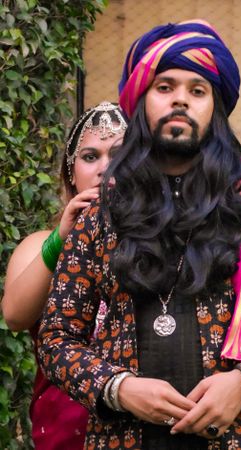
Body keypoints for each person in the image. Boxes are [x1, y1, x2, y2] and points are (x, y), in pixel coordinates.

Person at [38, 20, 241, 450]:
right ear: (141, 102)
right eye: (165, 86)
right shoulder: (102, 213)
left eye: (197, 90)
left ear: (215, 108)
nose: (180, 101)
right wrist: (117, 388)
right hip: (125, 438)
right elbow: (57, 335)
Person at [1, 101, 127, 449]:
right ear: (71, 173)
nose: (104, 168)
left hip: (141, 425)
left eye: (118, 154)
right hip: (64, 432)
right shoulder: (42, 244)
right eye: (90, 156)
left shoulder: (161, 245)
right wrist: (63, 239)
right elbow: (14, 315)